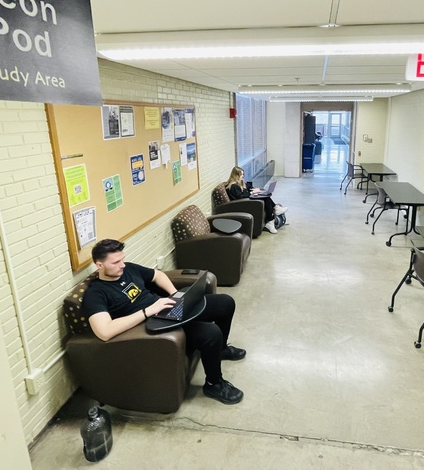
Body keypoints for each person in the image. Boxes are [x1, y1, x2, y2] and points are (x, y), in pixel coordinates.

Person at [82, 239, 246, 405]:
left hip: (166, 308)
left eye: (122, 259)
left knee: (225, 302)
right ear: (99, 265)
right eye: (116, 262)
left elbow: (158, 275)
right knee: (211, 333)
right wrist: (147, 312)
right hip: (153, 324)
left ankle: (221, 349)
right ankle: (214, 384)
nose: (122, 265)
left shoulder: (128, 269)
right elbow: (104, 331)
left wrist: (176, 295)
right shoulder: (96, 293)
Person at [225, 166, 287, 234]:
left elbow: (248, 187)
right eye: (241, 175)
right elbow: (240, 197)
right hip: (242, 204)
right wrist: (251, 192)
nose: (243, 176)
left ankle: (273, 214)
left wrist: (253, 189)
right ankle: (273, 214)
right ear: (236, 175)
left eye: (243, 174)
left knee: (266, 197)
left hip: (246, 200)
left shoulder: (240, 183)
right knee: (266, 198)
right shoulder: (233, 186)